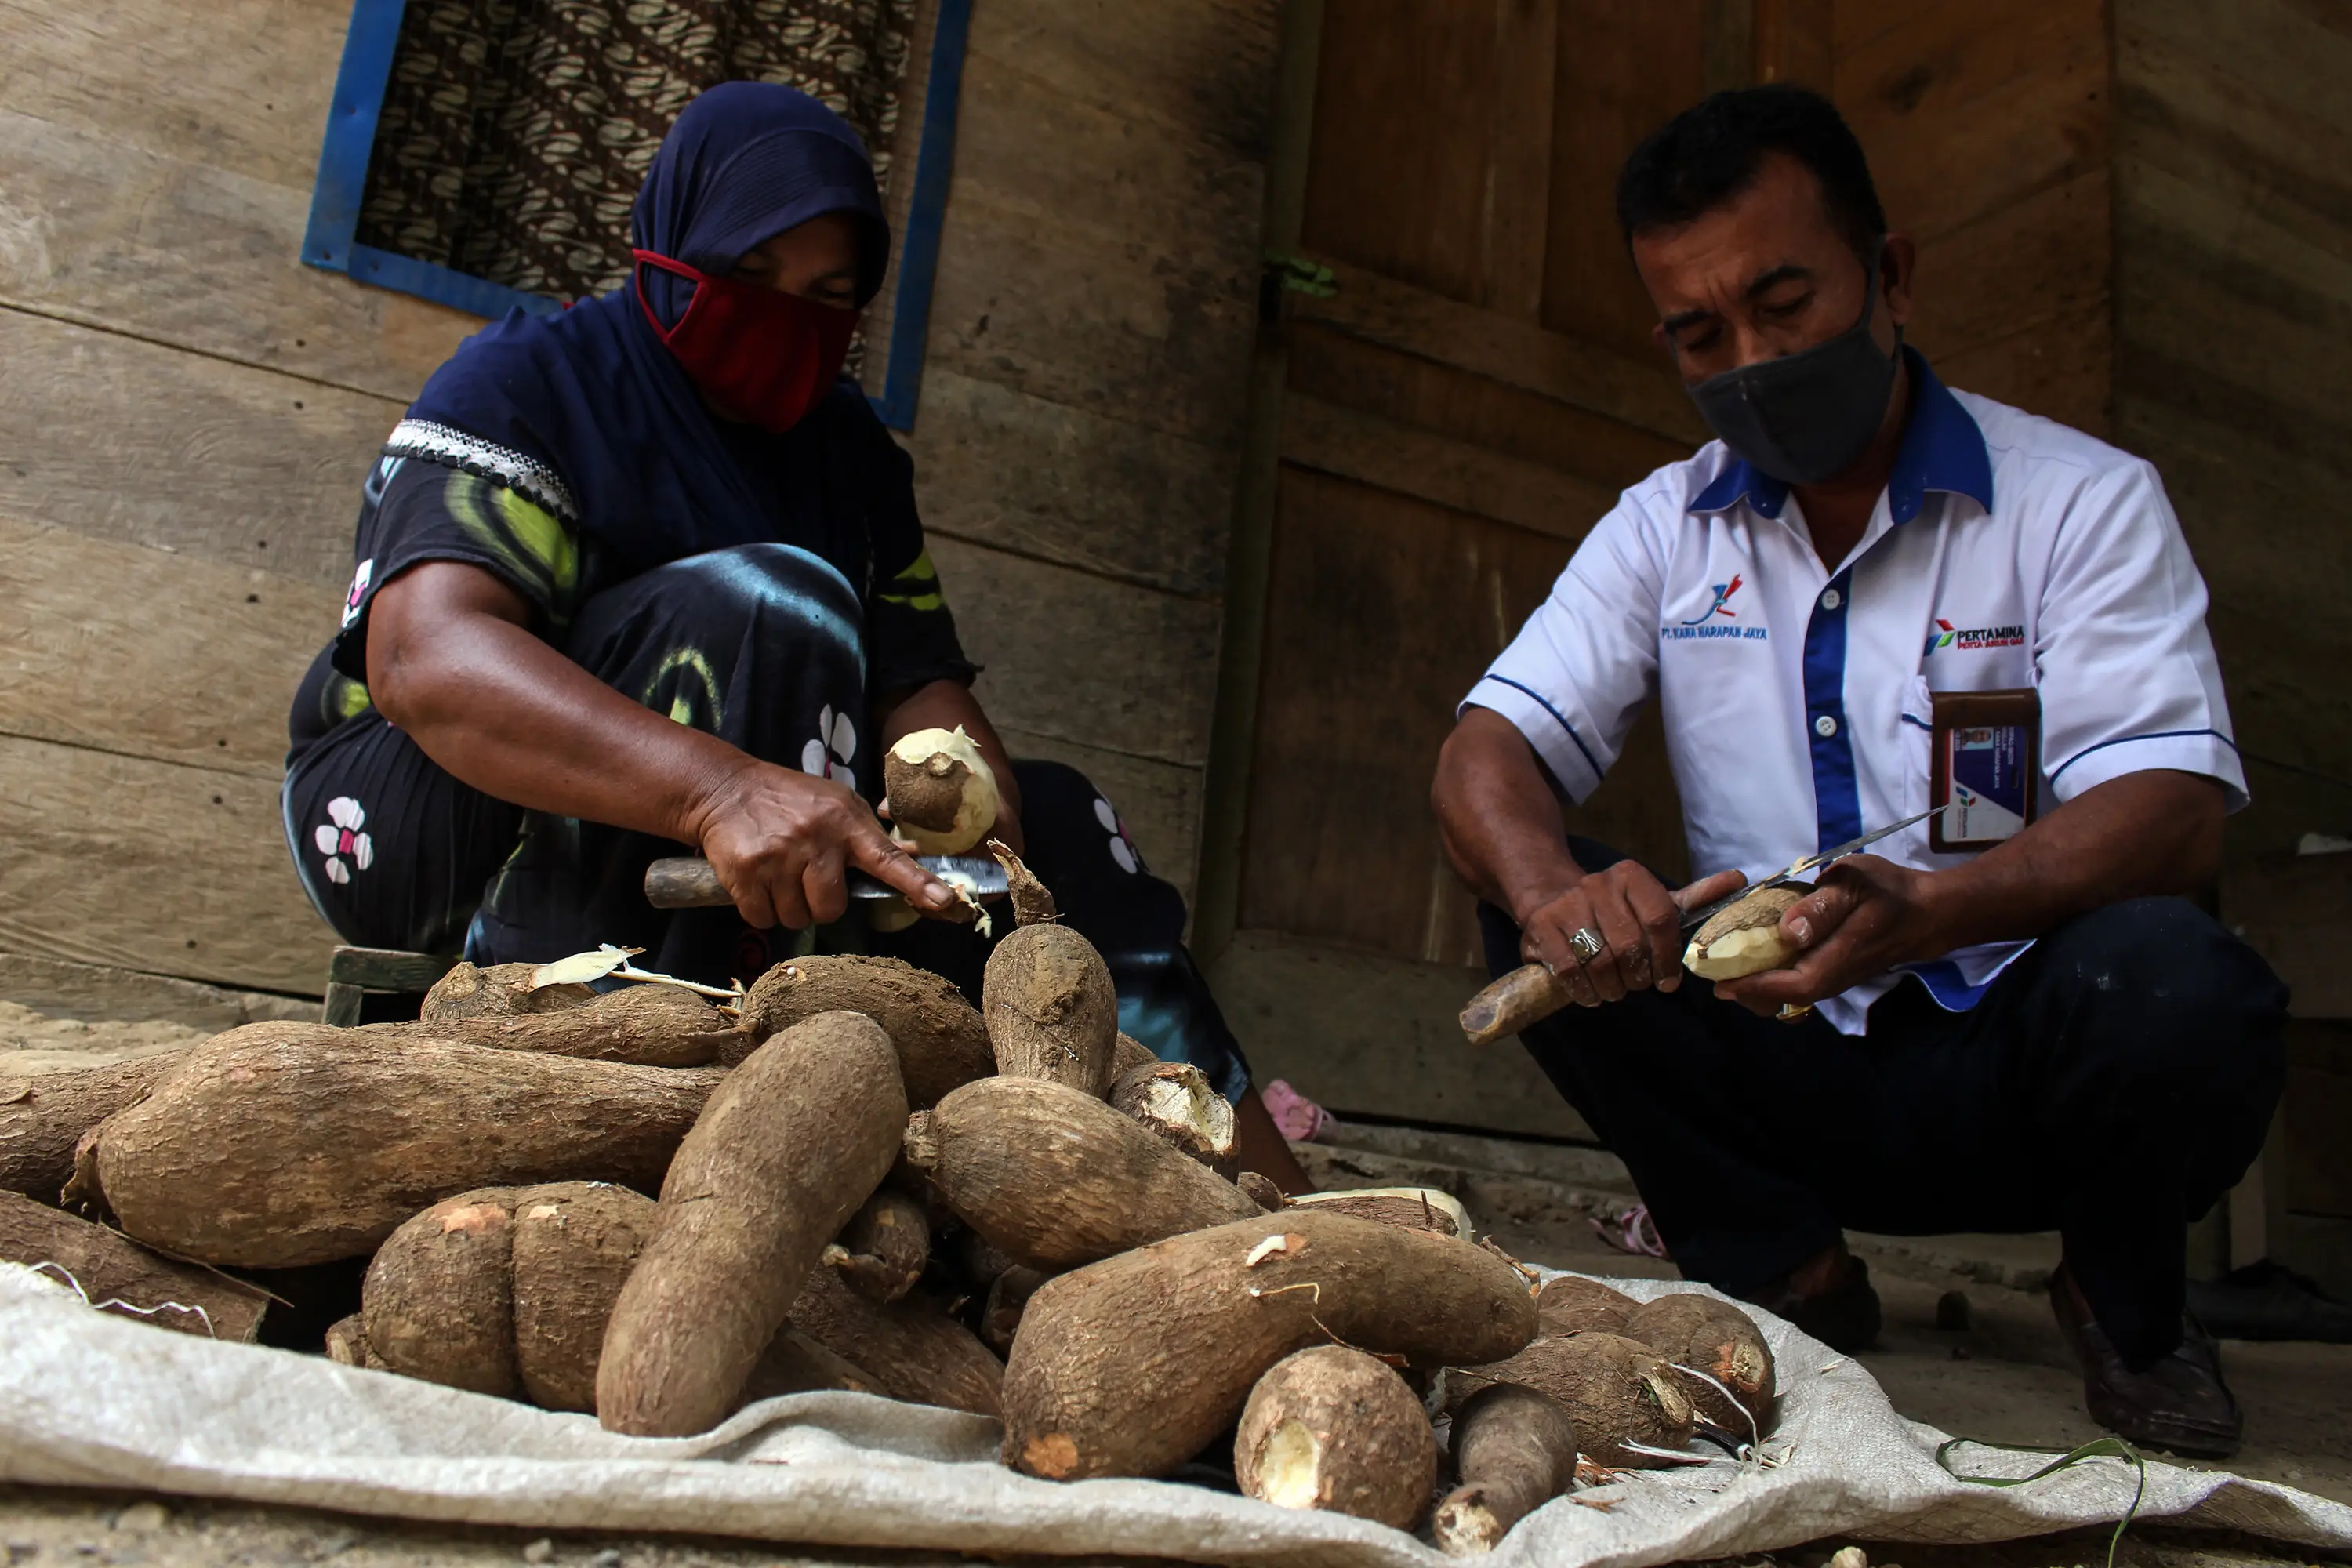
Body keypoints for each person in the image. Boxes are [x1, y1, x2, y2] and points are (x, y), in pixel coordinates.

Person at [1429, 85, 2285, 1457]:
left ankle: (2122, 1299)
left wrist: (1935, 909)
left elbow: (2173, 813)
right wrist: (1547, 892)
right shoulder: (1665, 527)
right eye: (1702, 334)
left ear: (1890, 276)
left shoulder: (2080, 501)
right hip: (1773, 1051)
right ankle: (1786, 1268)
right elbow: (1489, 752)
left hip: (2009, 1062)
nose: (1752, 361)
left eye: (1784, 304)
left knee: (2178, 980)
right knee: (1541, 907)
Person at [281, 82, 1308, 1192]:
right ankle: (646, 1085)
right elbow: (422, 662)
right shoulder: (530, 382)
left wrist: (978, 807)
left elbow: (919, 683)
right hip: (429, 813)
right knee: (770, 603)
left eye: (828, 295)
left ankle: (1254, 1200)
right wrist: (718, 792)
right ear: (667, 247)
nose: (784, 319)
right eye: (747, 274)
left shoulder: (847, 451)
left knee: (1051, 826)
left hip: (743, 847)